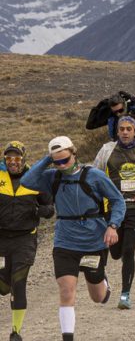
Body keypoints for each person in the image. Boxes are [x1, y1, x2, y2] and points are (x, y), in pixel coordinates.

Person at [20, 137, 126, 341]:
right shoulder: (53, 177)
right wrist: (48, 159)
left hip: (93, 240)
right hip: (65, 241)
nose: (62, 165)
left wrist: (113, 226)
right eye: (57, 162)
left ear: (74, 154)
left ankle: (103, 282)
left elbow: (117, 201)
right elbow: (26, 181)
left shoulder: (94, 175)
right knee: (67, 291)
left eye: (65, 160)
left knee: (98, 297)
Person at [90, 116, 135, 309]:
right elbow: (95, 174)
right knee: (115, 251)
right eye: (122, 129)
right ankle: (103, 276)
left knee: (128, 250)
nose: (125, 132)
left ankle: (125, 294)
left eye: (129, 129)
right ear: (117, 131)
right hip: (112, 207)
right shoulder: (107, 150)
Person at [0, 141, 54, 341]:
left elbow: (50, 207)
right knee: (3, 287)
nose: (12, 162)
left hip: (25, 239)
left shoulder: (35, 178)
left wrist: (44, 211)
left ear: (23, 159)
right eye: (9, 158)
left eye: (16, 158)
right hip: (1, 239)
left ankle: (16, 332)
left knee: (19, 282)